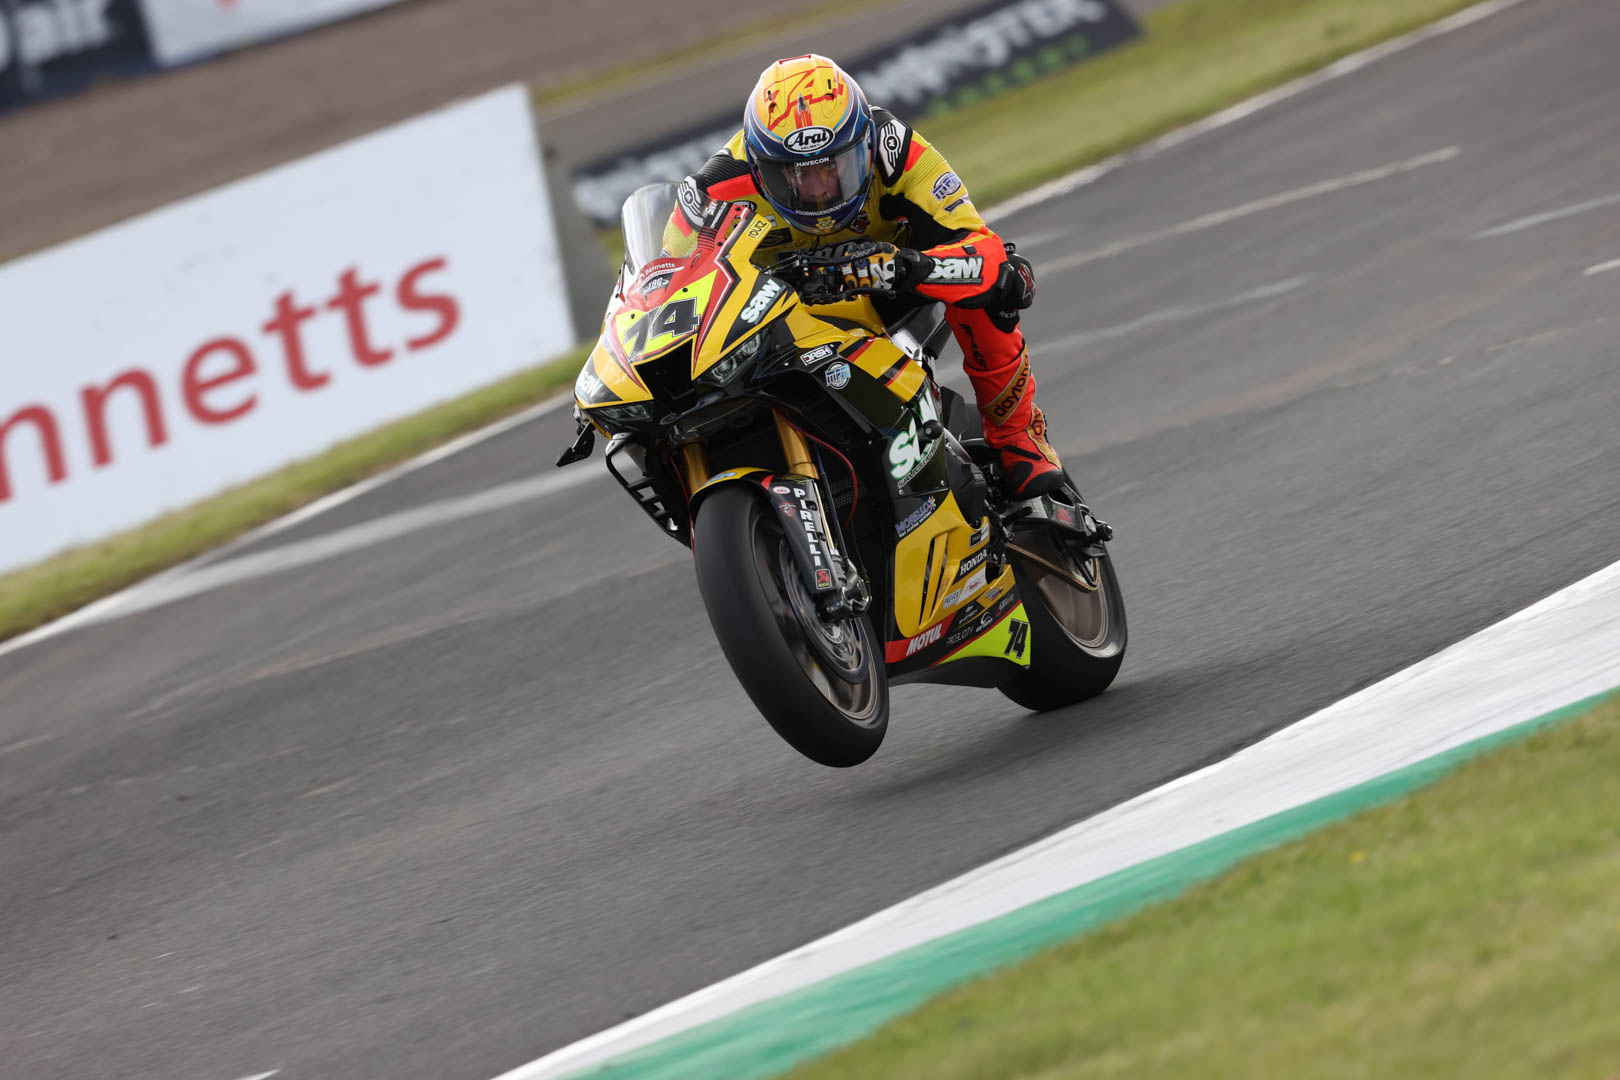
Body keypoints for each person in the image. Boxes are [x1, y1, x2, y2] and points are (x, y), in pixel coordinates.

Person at [668, 53, 1068, 499]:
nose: (819, 191)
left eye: (833, 168)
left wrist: (902, 266)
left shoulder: (896, 149)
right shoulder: (716, 189)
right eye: (796, 176)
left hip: (896, 286)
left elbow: (985, 255)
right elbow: (666, 286)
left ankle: (1017, 436)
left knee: (1003, 284)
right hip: (784, 315)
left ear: (864, 144)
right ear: (761, 169)